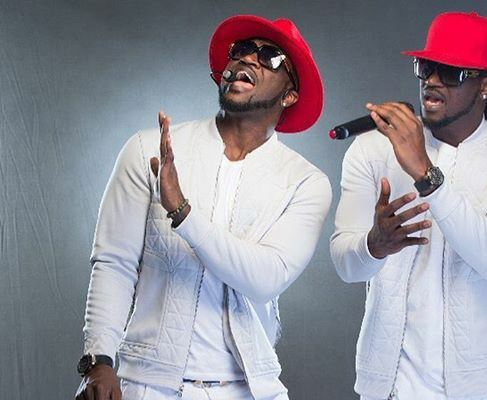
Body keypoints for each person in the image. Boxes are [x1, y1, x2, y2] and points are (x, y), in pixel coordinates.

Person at [76, 15, 331, 400]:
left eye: (270, 57)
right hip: (147, 385)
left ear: (289, 95)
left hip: (245, 390)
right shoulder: (147, 150)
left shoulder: (305, 182)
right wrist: (99, 362)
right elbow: (114, 263)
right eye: (241, 50)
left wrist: (182, 213)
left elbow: (267, 277)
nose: (248, 59)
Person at [330, 12, 487, 400]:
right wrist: (373, 245)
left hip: (484, 389)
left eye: (451, 72)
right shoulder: (372, 149)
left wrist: (424, 171)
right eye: (426, 67)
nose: (432, 80)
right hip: (390, 386)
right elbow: (346, 266)